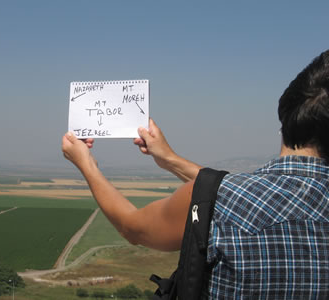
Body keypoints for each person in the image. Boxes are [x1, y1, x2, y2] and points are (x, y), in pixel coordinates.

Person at [62, 49, 329, 299]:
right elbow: (226, 188)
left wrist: (87, 165)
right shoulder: (231, 196)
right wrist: (170, 159)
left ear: (285, 119)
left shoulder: (223, 201)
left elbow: (133, 228)